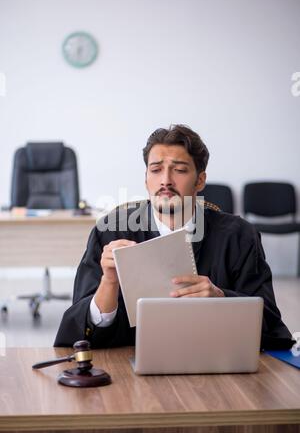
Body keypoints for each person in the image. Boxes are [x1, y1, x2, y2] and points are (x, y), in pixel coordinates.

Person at [54, 125, 294, 350]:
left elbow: (271, 326)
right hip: (126, 372)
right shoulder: (110, 232)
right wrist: (109, 282)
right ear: (146, 179)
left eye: (179, 170)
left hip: (215, 368)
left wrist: (222, 299)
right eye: (156, 169)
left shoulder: (240, 236)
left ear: (200, 180)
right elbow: (78, 334)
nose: (166, 180)